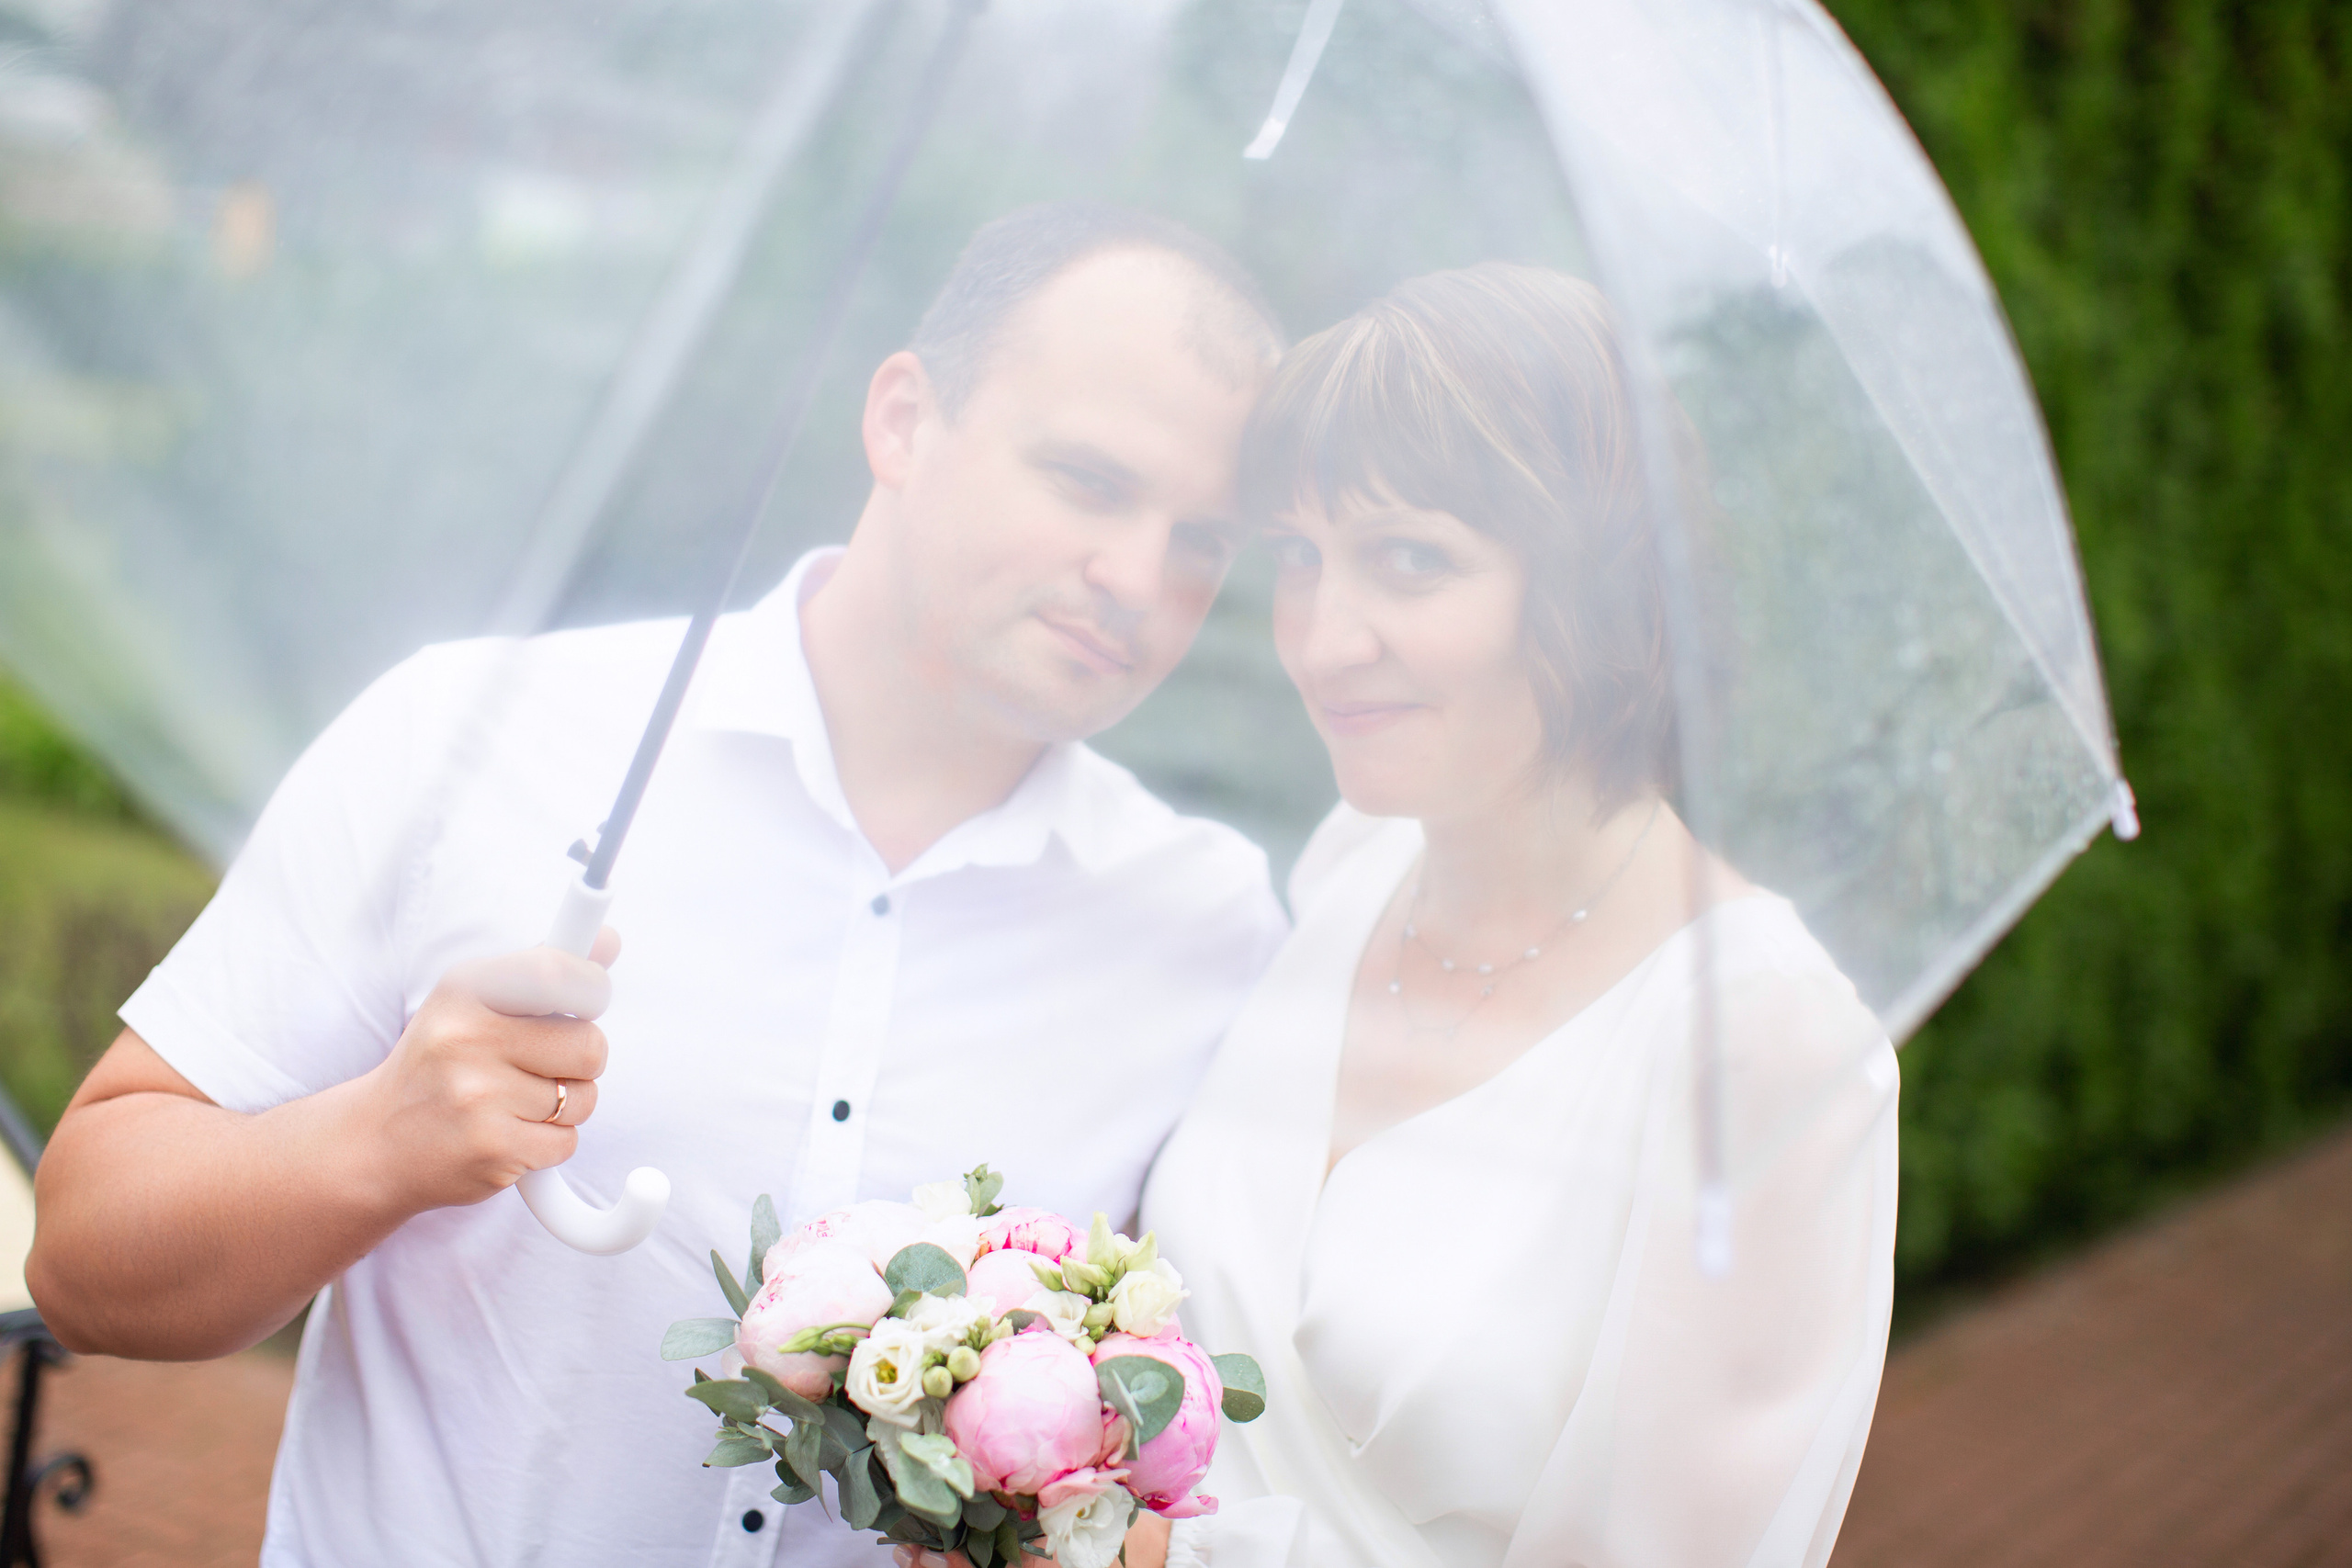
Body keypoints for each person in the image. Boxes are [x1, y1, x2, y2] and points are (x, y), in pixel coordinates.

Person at [26, 203, 1293, 1568]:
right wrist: (375, 1141)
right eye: (1091, 484)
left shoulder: (1208, 931)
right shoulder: (479, 736)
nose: (1139, 580)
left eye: (1202, 543)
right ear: (905, 421)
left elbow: (1184, 1442)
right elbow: (84, 1264)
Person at [1130, 264, 1901, 1566]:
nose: (1323, 639)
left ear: (1601, 586)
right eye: (1303, 559)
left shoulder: (1766, 1045)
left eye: (1411, 561)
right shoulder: (1351, 866)